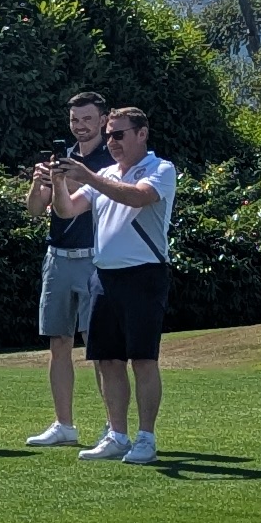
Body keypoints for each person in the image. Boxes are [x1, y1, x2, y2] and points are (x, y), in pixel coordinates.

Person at [58, 104, 179, 462]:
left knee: (142, 359)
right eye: (109, 135)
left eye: (119, 134)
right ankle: (117, 435)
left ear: (142, 134)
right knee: (108, 360)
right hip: (104, 276)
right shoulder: (106, 173)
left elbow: (138, 196)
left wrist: (89, 177)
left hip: (144, 274)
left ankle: (146, 438)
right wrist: (58, 182)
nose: (112, 142)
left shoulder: (160, 169)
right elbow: (67, 210)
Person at [23, 92, 112, 445]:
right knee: (58, 342)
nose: (80, 126)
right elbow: (35, 209)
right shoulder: (61, 159)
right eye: (75, 120)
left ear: (103, 120)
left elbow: (101, 194)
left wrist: (72, 179)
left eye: (87, 119)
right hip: (57, 258)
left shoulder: (111, 159)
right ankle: (64, 425)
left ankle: (113, 425)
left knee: (99, 345)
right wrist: (39, 182)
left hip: (95, 259)